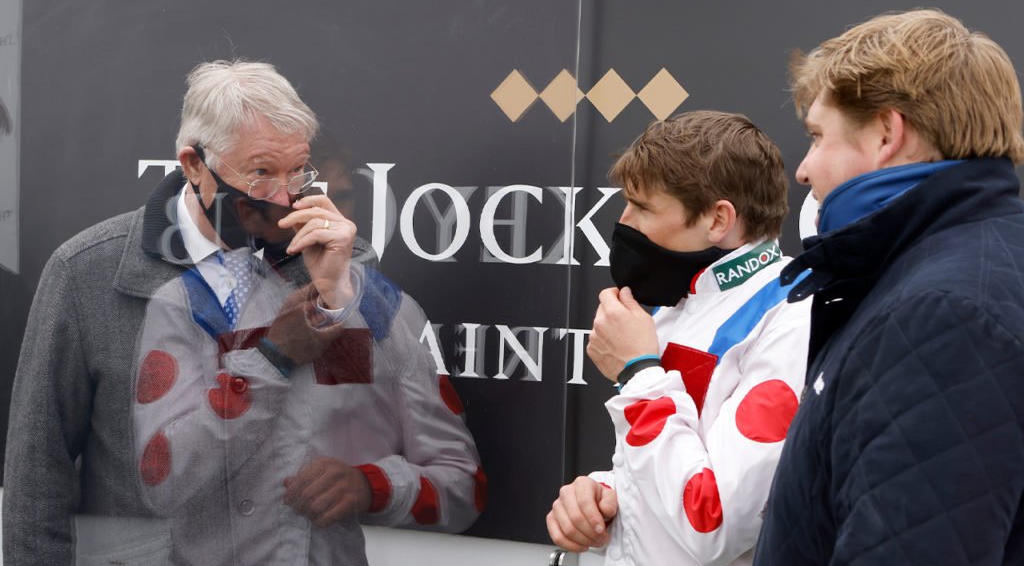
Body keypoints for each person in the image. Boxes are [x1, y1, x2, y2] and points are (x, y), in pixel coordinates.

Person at [3, 60, 483, 565]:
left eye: (298, 170)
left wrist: (340, 300)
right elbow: (38, 470)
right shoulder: (87, 271)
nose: (286, 196)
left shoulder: (339, 260)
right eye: (261, 174)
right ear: (194, 167)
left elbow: (377, 426)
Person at [755, 9, 1024, 565]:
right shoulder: (967, 267)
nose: (802, 170)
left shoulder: (941, 315)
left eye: (817, 136)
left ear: (886, 133)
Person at [547, 111, 811, 565]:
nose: (625, 222)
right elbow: (671, 468)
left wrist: (637, 374)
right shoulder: (676, 300)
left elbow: (713, 521)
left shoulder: (793, 317)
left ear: (718, 219)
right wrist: (606, 494)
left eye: (644, 207)